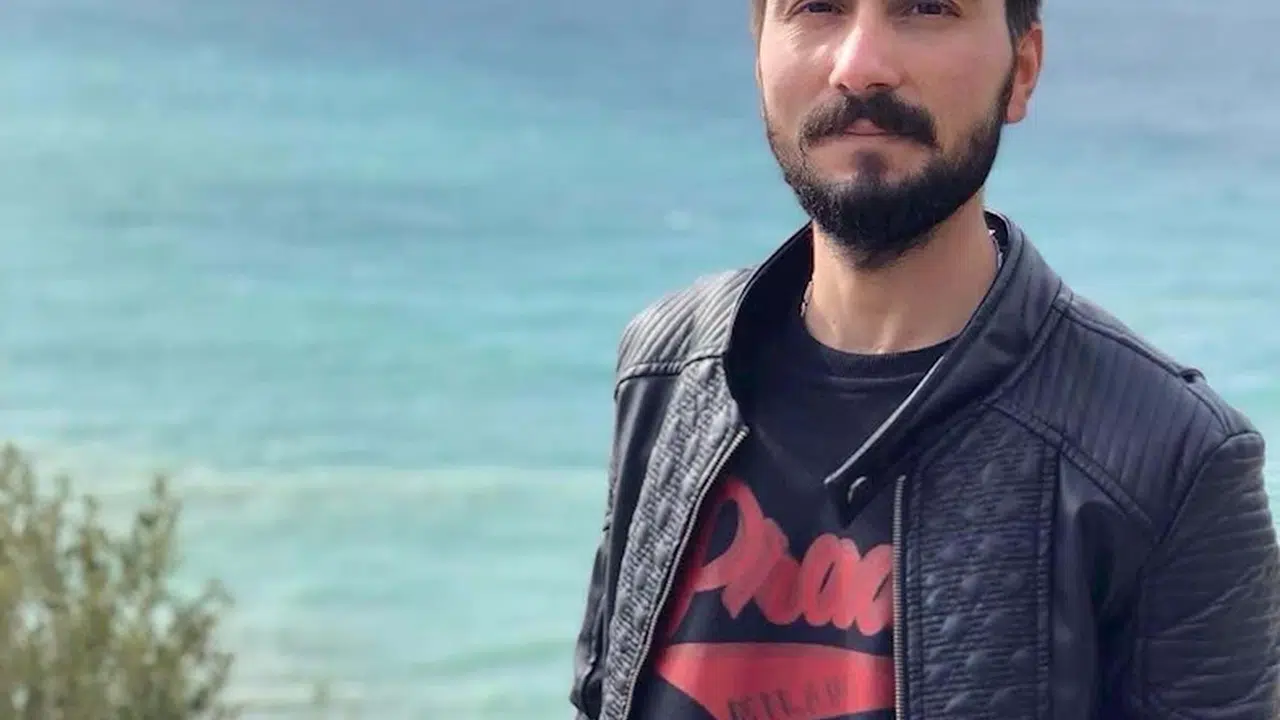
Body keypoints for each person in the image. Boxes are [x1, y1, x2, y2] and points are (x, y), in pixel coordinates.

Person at [568, 0, 1280, 718]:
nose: (860, 67)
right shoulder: (666, 366)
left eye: (928, 8)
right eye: (816, 7)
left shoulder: (1171, 462)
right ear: (760, 57)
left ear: (1021, 71)